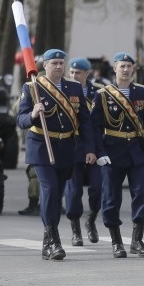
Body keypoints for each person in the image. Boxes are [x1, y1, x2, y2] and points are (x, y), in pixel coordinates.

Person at [16, 49, 96, 260]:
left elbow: (84, 120)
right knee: (50, 189)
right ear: (45, 66)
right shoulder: (32, 87)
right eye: (54, 63)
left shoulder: (75, 87)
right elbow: (20, 119)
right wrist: (33, 114)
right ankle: (54, 239)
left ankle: (47, 241)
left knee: (57, 193)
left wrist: (89, 148)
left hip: (66, 147)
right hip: (42, 146)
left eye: (61, 63)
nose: (59, 67)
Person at [91, 52, 144, 258]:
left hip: (136, 151)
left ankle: (137, 240)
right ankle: (116, 241)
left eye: (129, 67)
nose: (126, 70)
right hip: (112, 150)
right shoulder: (103, 94)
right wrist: (99, 152)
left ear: (133, 70)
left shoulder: (141, 93)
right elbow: (95, 127)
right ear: (114, 69)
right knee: (111, 197)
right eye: (122, 66)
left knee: (141, 194)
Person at [63, 57, 102, 245]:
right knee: (73, 190)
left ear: (88, 73)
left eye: (78, 72)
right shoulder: (64, 90)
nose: (73, 75)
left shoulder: (98, 92)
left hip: (94, 145)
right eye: (71, 72)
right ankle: (75, 229)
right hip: (73, 145)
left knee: (97, 187)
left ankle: (91, 219)